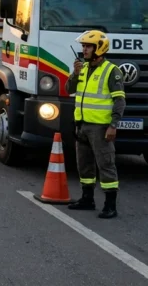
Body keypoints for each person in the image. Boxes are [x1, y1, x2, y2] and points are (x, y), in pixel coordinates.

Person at [65, 30, 125, 218]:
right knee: (84, 165)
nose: (84, 49)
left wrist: (113, 125)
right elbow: (69, 90)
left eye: (88, 46)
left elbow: (119, 101)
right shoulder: (81, 67)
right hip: (82, 125)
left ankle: (110, 205)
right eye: (83, 46)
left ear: (99, 48)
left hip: (101, 127)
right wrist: (74, 74)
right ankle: (87, 199)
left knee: (106, 164)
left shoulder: (111, 71)